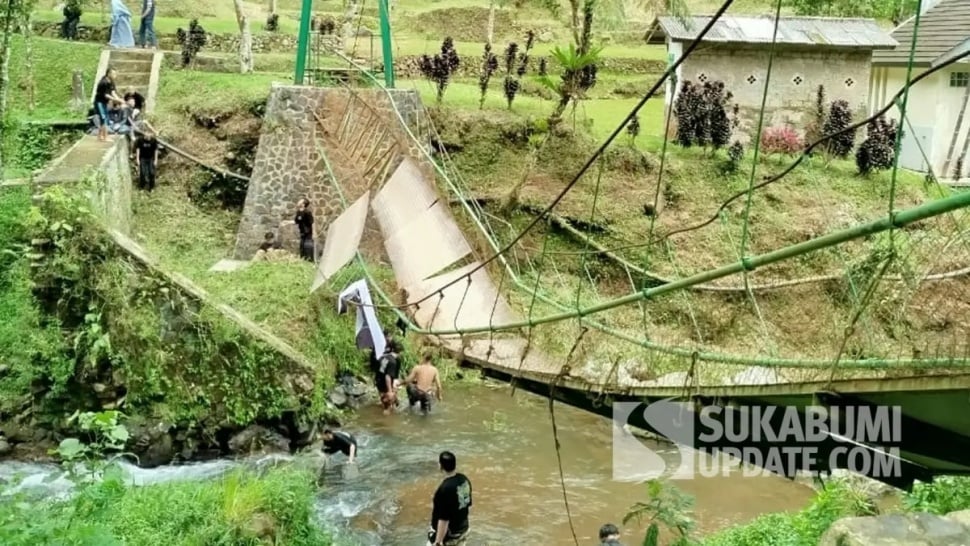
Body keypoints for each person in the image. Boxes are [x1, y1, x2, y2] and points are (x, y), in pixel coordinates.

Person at [428, 451, 472, 546]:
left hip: (449, 535)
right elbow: (466, 504)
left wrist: (438, 542)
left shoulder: (444, 489)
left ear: (440, 466)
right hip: (463, 529)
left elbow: (444, 519)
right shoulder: (464, 480)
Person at [94, 67, 124, 142]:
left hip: (105, 102)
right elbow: (106, 95)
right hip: (99, 102)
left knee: (104, 119)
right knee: (104, 119)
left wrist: (119, 99)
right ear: (109, 74)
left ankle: (99, 136)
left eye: (116, 74)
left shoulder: (111, 82)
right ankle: (105, 137)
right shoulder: (103, 82)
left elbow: (113, 92)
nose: (115, 75)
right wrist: (116, 100)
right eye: (114, 74)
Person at [375, 339, 401, 415]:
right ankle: (386, 422)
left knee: (385, 400)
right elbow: (388, 376)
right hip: (385, 383)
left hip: (379, 381)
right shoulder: (393, 362)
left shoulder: (384, 357)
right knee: (388, 406)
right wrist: (390, 391)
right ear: (400, 352)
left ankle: (386, 405)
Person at [294, 198, 314, 262]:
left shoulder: (307, 212)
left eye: (300, 201)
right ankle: (303, 261)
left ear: (303, 204)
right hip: (302, 232)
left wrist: (314, 233)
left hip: (308, 233)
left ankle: (310, 261)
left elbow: (312, 222)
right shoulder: (298, 212)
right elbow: (296, 221)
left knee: (308, 247)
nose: (298, 201)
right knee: (302, 247)